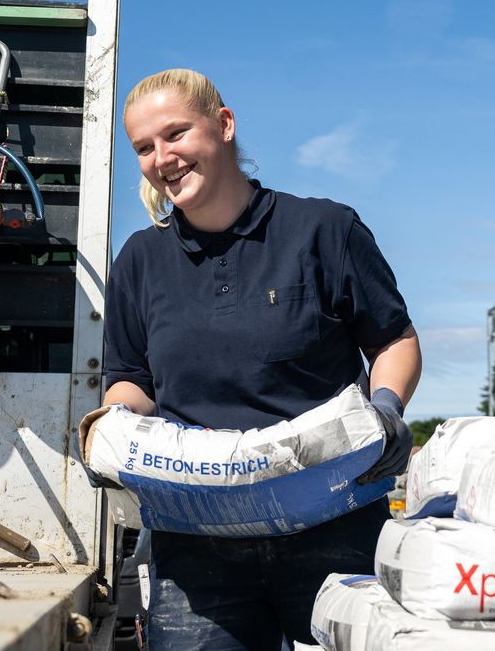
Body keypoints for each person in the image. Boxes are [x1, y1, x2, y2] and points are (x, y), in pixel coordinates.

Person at [101, 68, 421, 650]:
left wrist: (386, 408)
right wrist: (110, 430)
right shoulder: (140, 260)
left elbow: (393, 339)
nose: (161, 157)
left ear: (223, 126)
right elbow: (131, 380)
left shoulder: (323, 229)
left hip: (333, 522)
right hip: (196, 543)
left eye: (175, 135)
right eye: (144, 148)